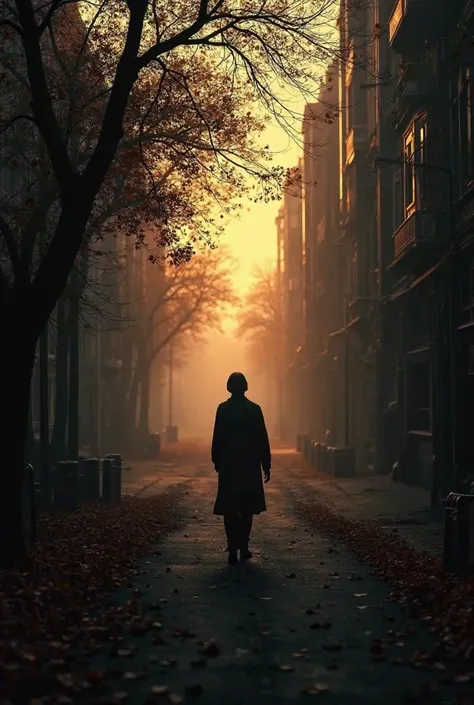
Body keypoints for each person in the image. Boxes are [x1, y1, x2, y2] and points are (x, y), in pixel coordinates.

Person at [211, 372, 271, 565]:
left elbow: (217, 437)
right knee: (246, 507)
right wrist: (265, 463)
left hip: (229, 465)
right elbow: (262, 438)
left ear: (228, 387)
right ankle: (243, 546)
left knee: (230, 507)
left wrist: (217, 460)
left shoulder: (223, 409)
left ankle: (232, 547)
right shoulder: (254, 410)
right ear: (246, 387)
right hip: (249, 464)